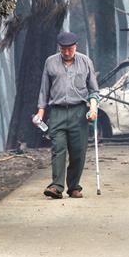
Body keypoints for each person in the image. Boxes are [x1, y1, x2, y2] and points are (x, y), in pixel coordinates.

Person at [35, 31, 99, 199]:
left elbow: (93, 90)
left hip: (79, 112)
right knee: (58, 149)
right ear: (59, 48)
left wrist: (93, 109)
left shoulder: (85, 62)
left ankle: (74, 187)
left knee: (78, 152)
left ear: (75, 47)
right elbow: (44, 90)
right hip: (57, 112)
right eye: (63, 49)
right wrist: (40, 113)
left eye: (70, 49)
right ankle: (56, 186)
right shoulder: (50, 62)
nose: (67, 52)